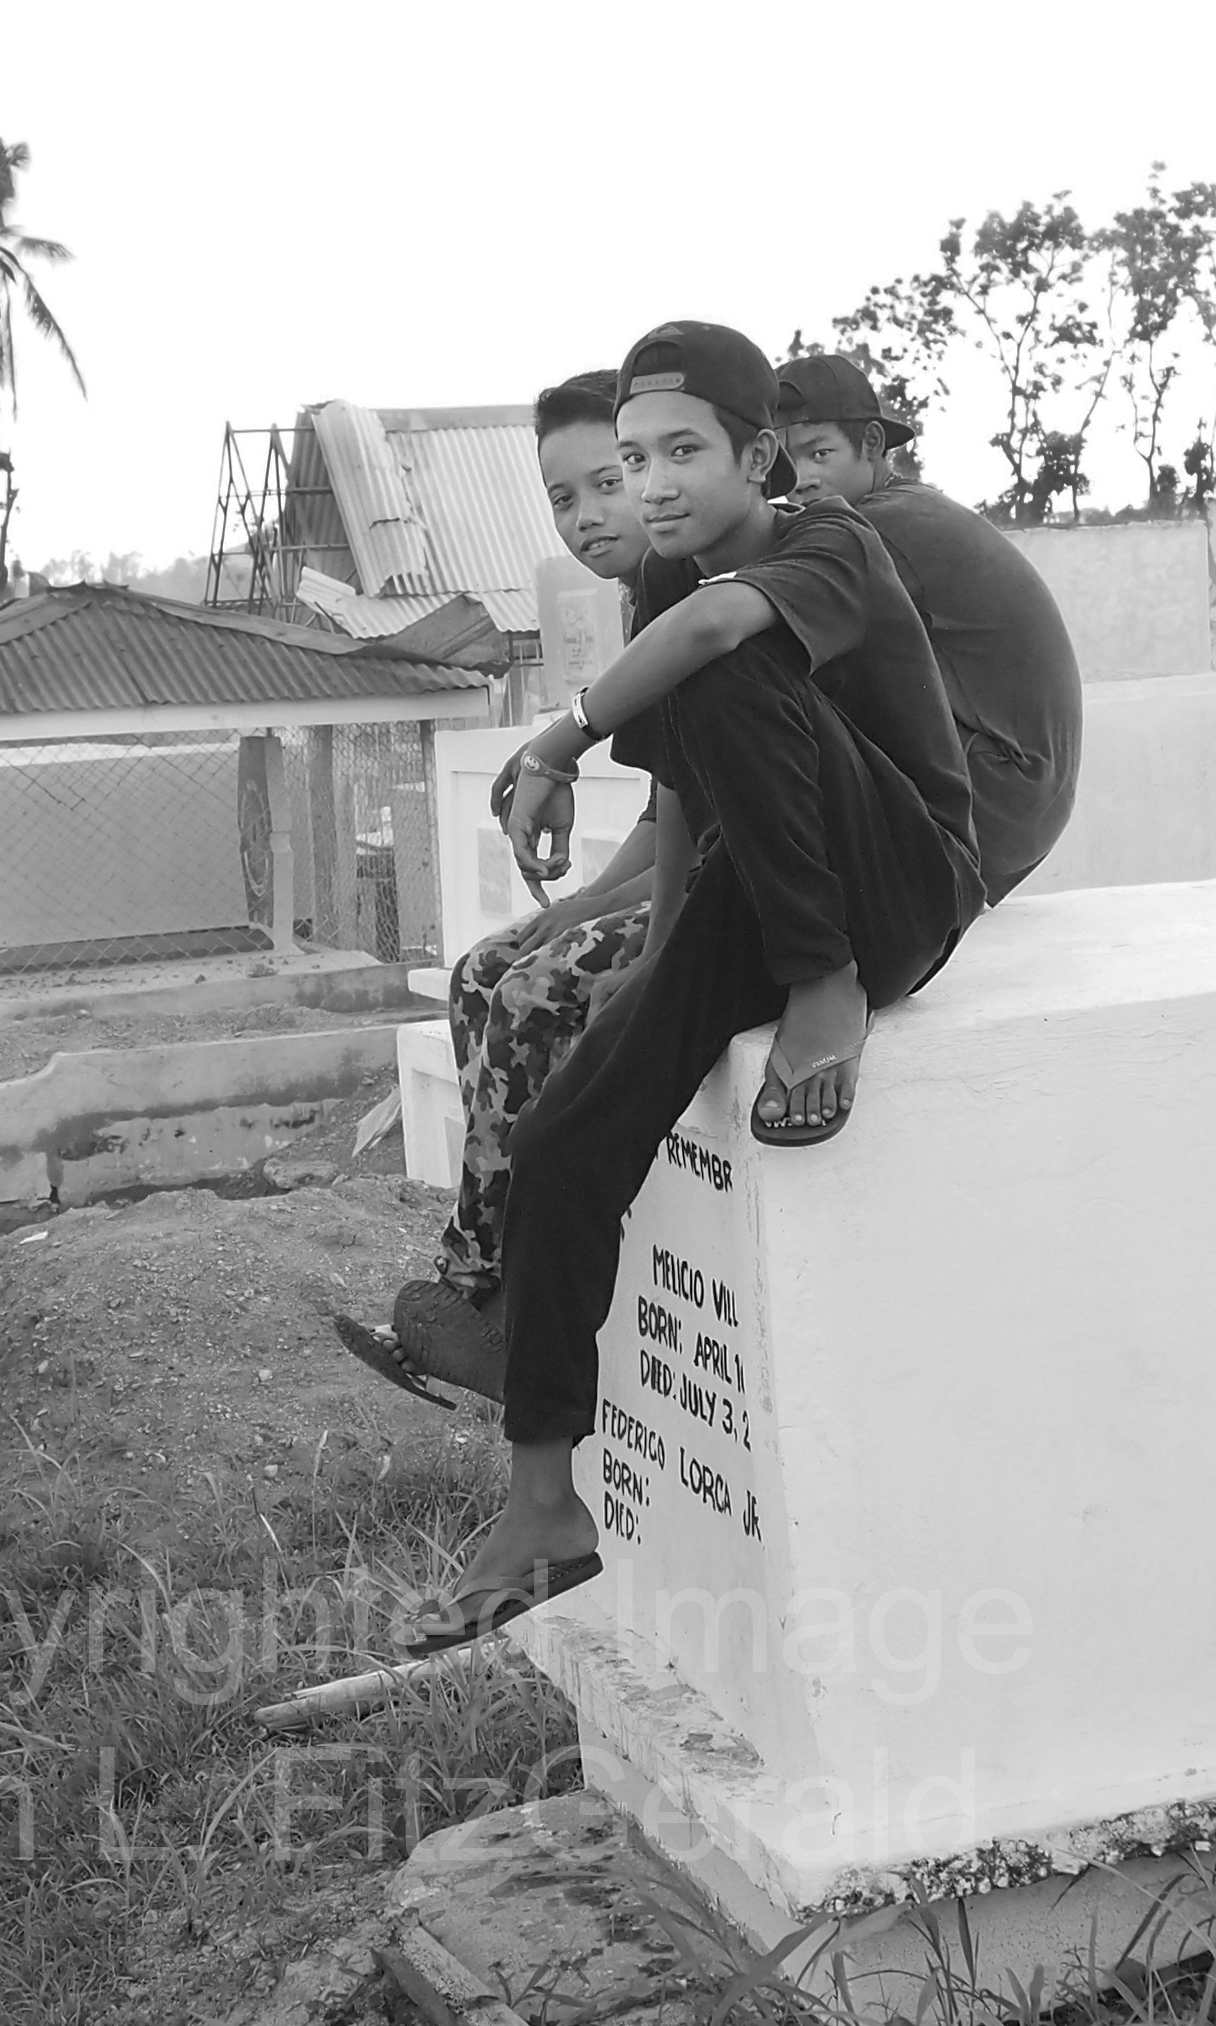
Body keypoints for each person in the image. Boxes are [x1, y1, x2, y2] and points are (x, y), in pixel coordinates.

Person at [395, 322, 986, 1656]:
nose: (647, 484)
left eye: (677, 454)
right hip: (752, 890)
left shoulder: (824, 541)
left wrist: (556, 735)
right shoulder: (659, 579)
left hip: (891, 888)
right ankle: (542, 1497)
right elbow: (679, 799)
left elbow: (722, 639)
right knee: (559, 1145)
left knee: (721, 652)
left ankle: (822, 993)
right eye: (626, 459)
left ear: (756, 455)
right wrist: (656, 966)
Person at [337, 371, 672, 1406]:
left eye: (607, 481)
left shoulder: (713, 590)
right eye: (563, 498)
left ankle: (501, 1300)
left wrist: (639, 940)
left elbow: (728, 828)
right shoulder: (650, 597)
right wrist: (573, 909)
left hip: (760, 890)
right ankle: (475, 1289)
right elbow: (672, 812)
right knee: (487, 967)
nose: (585, 515)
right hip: (696, 861)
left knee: (533, 993)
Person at [775, 353, 1081, 902]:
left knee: (776, 680)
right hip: (1020, 803)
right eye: (782, 462)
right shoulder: (906, 509)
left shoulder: (879, 526)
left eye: (818, 453)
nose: (799, 481)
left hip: (997, 795)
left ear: (872, 444)